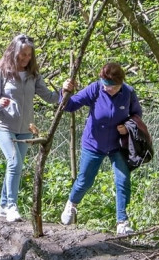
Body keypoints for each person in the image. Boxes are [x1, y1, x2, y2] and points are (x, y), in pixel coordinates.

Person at [0, 34, 63, 223]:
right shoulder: (2, 71)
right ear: (14, 52)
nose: (26, 58)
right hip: (4, 125)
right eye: (22, 54)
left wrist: (64, 92)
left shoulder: (33, 75)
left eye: (29, 55)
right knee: (14, 163)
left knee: (16, 166)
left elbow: (49, 96)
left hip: (25, 128)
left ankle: (3, 205)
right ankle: (12, 206)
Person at [60, 62, 143, 237]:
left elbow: (137, 115)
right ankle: (71, 204)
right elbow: (69, 105)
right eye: (105, 85)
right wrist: (65, 91)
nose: (107, 90)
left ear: (120, 84)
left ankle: (122, 222)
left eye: (112, 87)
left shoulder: (128, 93)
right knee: (84, 181)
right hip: (93, 144)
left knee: (122, 180)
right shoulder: (95, 88)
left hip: (117, 145)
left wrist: (127, 126)